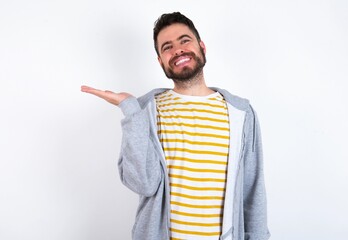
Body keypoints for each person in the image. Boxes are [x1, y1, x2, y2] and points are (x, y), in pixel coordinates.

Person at [81, 12, 270, 240]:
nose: (178, 50)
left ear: (202, 47)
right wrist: (130, 109)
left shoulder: (241, 113)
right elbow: (143, 184)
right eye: (167, 47)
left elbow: (252, 190)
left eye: (184, 40)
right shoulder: (145, 111)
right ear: (161, 61)